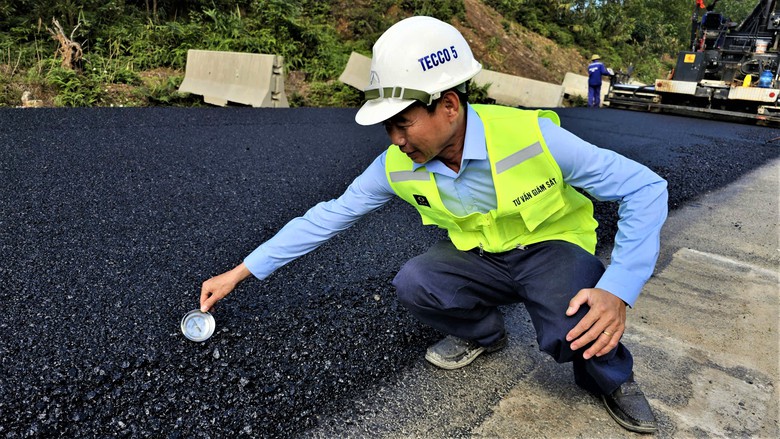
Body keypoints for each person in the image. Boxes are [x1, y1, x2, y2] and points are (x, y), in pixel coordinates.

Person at [200, 16, 668, 434]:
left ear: (448, 105)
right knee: (415, 281)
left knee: (581, 323)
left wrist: (619, 287)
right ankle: (485, 334)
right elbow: (329, 215)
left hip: (552, 250)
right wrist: (242, 271)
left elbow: (645, 188)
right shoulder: (395, 165)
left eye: (403, 124)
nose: (396, 141)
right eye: (388, 128)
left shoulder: (532, 137)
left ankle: (613, 380)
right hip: (479, 258)